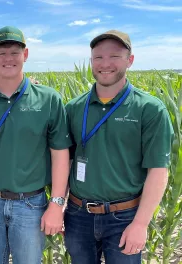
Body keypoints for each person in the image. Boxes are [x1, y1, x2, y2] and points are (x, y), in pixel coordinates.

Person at [0, 26, 71, 264]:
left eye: (14, 52)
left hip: (31, 204)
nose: (8, 58)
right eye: (1, 53)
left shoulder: (49, 99)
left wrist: (57, 204)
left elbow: (60, 154)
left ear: (25, 55)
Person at [64, 30, 174, 263]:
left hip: (125, 217)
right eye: (98, 58)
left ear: (130, 60)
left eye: (114, 56)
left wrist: (141, 223)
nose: (105, 64)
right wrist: (60, 206)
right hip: (78, 214)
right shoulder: (74, 108)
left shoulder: (150, 109)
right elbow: (66, 162)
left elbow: (158, 170)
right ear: (91, 61)